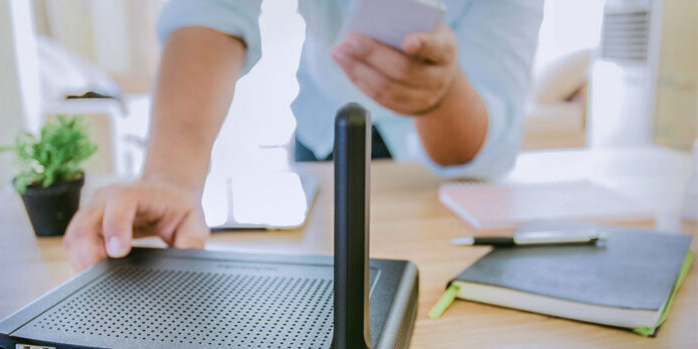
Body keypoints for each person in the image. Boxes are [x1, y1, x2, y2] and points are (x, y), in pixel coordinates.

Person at [64, 0, 543, 270]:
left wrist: (439, 95)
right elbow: (212, 11)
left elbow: (480, 137)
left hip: (441, 172)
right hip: (324, 129)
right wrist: (170, 176)